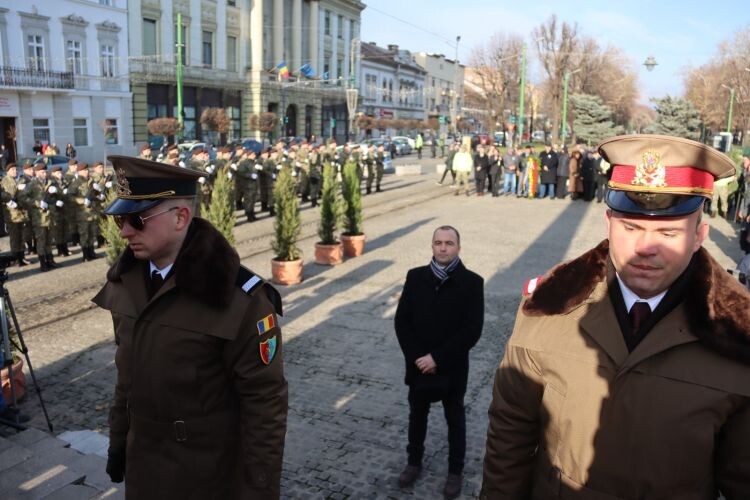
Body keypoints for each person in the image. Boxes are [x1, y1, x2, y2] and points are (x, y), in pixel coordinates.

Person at [481, 134, 750, 499]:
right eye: (631, 227)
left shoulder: (738, 333)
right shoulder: (548, 305)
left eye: (668, 232)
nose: (645, 249)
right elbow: (510, 433)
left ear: (699, 235)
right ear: (608, 222)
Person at [93, 155, 288, 499]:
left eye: (136, 220)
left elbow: (264, 404)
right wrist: (118, 442)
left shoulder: (240, 300)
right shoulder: (126, 284)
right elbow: (127, 377)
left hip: (206, 474)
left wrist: (259, 487)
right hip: (143, 467)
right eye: (120, 219)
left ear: (181, 217)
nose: (123, 231)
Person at [395, 225, 484, 499]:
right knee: (417, 414)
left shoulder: (472, 283)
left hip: (453, 366)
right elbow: (402, 322)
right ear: (431, 246)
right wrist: (419, 359)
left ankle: (454, 471)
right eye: (438, 243)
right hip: (418, 364)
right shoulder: (415, 277)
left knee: (455, 417)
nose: (443, 247)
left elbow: (472, 330)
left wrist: (437, 358)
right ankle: (413, 462)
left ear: (458, 247)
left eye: (449, 243)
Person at [0, 163, 31, 266]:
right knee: (14, 237)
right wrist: (9, 199)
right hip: (12, 215)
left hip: (22, 212)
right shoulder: (4, 181)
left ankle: (22, 257)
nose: (15, 171)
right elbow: (3, 194)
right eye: (12, 169)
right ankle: (16, 258)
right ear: (7, 171)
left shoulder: (22, 179)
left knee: (22, 237)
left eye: (16, 169)